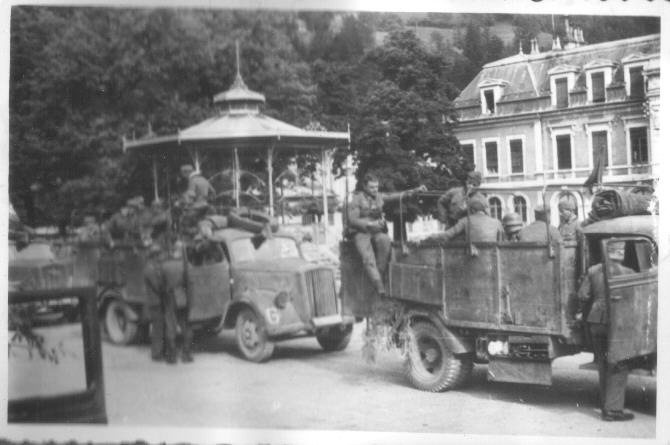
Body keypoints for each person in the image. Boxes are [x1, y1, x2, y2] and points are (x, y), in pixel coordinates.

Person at [576, 257, 635, 421]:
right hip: (617, 323)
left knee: (603, 362)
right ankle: (613, 410)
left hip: (596, 321)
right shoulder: (628, 272)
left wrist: (581, 310)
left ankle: (606, 405)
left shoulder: (593, 270)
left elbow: (582, 295)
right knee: (619, 363)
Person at [347, 173, 424, 297]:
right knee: (368, 258)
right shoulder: (357, 199)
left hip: (376, 231)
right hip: (361, 231)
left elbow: (396, 196)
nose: (375, 190)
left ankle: (378, 277)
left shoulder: (379, 197)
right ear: (365, 187)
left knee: (385, 241)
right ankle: (379, 286)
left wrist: (414, 191)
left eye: (376, 187)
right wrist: (369, 224)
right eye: (372, 187)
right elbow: (352, 220)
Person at [428, 194, 504, 243]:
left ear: (472, 210)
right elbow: (503, 240)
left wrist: (432, 236)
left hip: (473, 259)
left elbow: (447, 235)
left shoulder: (465, 221)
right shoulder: (497, 222)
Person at [162, 247, 194, 363]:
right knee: (185, 326)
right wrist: (190, 301)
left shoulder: (164, 266)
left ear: (172, 253)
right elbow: (189, 284)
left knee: (171, 326)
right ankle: (186, 354)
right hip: (182, 296)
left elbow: (161, 283)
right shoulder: (186, 265)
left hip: (169, 297)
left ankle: (172, 357)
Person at [143, 243, 167, 362]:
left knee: (160, 327)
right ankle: (156, 354)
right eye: (159, 255)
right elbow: (157, 286)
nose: (161, 257)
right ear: (155, 256)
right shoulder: (150, 269)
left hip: (156, 301)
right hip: (155, 302)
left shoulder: (152, 267)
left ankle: (159, 352)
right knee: (158, 329)